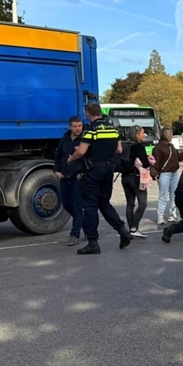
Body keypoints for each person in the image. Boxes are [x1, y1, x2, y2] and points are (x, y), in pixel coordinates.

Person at [66, 103, 132, 254]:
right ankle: (123, 231)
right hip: (108, 170)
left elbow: (82, 151)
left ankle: (93, 242)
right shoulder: (112, 128)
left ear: (89, 114)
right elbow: (119, 149)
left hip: (93, 171)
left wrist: (71, 158)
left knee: (89, 206)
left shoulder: (90, 129)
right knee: (104, 203)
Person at [53, 116, 86, 246]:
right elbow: (58, 156)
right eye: (75, 126)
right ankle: (87, 226)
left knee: (78, 207)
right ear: (70, 127)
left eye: (80, 126)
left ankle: (75, 235)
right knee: (66, 204)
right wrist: (56, 170)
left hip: (78, 177)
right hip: (64, 177)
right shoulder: (64, 140)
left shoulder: (85, 140)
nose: (78, 129)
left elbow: (88, 158)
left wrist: (83, 173)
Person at [151, 127, 183, 224]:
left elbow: (177, 157)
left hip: (174, 173)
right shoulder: (158, 148)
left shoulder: (171, 146)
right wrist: (155, 174)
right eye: (171, 133)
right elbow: (155, 162)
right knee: (163, 196)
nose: (172, 135)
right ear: (167, 135)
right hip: (165, 173)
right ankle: (160, 216)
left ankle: (173, 214)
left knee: (173, 195)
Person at [120, 126, 152, 238]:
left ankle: (130, 228)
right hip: (136, 177)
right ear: (136, 134)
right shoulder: (139, 146)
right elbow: (145, 163)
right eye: (143, 133)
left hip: (125, 177)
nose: (145, 135)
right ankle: (134, 227)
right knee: (143, 203)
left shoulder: (124, 145)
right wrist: (149, 160)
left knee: (130, 204)